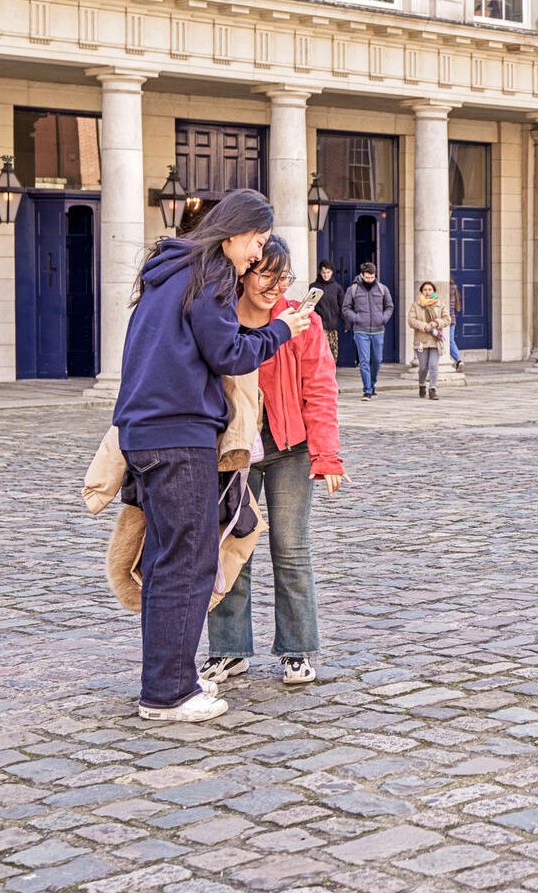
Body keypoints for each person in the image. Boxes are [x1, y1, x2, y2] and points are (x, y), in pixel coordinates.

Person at [113, 189, 314, 723]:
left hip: (145, 431)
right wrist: (279, 331)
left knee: (165, 561)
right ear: (234, 233)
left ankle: (167, 676)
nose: (257, 254)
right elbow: (228, 353)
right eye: (257, 241)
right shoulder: (213, 275)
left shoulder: (171, 270)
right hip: (179, 434)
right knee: (188, 562)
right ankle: (168, 693)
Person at [202, 237, 345, 688]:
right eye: (266, 273)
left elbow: (320, 390)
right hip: (233, 450)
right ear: (243, 271)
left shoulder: (303, 321)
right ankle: (229, 650)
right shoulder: (219, 318)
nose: (274, 285)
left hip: (289, 449)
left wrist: (327, 455)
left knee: (291, 549)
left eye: (282, 277)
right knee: (230, 548)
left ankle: (298, 650)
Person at [342, 261, 393, 400]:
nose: (370, 279)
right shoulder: (352, 290)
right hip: (360, 330)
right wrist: (356, 318)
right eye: (367, 277)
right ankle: (367, 390)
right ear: (361, 275)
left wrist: (383, 318)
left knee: (377, 360)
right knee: (364, 361)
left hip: (378, 330)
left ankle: (372, 383)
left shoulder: (383, 289)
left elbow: (389, 306)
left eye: (372, 277)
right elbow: (346, 308)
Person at [411, 281, 452, 400]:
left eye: (430, 289)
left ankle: (433, 389)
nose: (427, 292)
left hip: (435, 340)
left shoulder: (440, 304)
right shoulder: (416, 305)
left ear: (434, 291)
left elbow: (447, 319)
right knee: (423, 367)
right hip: (421, 341)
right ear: (421, 292)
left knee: (433, 365)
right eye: (425, 290)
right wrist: (424, 326)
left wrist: (437, 323)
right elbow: (411, 321)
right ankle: (422, 384)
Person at [309, 260, 343, 362]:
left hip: (333, 326)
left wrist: (346, 323)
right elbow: (310, 306)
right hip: (319, 326)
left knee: (333, 355)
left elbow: (342, 306)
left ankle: (331, 377)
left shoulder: (337, 288)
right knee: (320, 353)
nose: (326, 275)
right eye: (323, 272)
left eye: (328, 272)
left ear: (332, 272)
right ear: (320, 272)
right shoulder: (314, 287)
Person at [447, 282, 464, 372]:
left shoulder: (447, 291)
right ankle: (458, 360)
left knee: (448, 342)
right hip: (452, 320)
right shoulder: (454, 291)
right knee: (450, 341)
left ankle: (458, 360)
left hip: (446, 320)